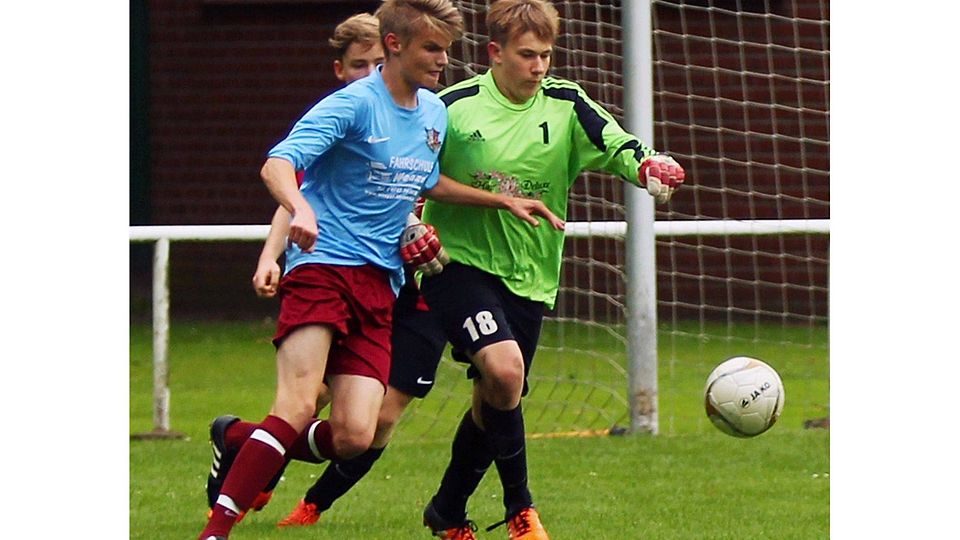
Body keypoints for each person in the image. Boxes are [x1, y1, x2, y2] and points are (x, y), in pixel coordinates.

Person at [196, 1, 563, 538]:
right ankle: (217, 531)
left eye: (446, 49)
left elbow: (428, 183)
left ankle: (239, 439)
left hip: (380, 283)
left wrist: (500, 201)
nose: (443, 60)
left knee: (355, 435)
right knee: (298, 404)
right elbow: (278, 164)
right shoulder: (352, 105)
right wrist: (299, 211)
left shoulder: (435, 113)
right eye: (432, 48)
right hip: (324, 267)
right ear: (395, 46)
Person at [415, 1, 686, 539]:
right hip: (457, 264)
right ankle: (522, 510)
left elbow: (616, 143)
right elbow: (405, 172)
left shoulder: (565, 102)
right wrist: (409, 223)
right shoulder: (452, 107)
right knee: (506, 370)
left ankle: (447, 511)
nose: (539, 66)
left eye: (545, 54)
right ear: (495, 53)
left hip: (531, 273)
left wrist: (648, 164)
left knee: (496, 396)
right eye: (526, 55)